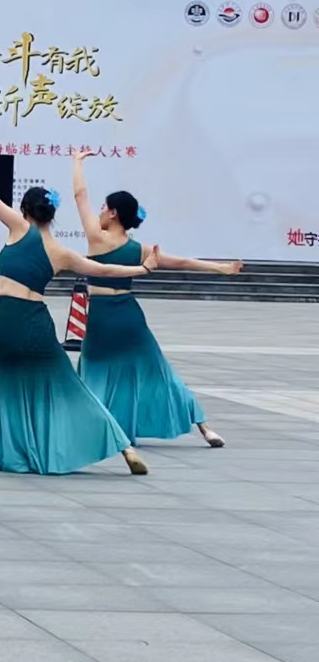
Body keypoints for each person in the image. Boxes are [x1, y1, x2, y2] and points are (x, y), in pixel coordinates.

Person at [0, 134, 159, 475]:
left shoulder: (18, 228)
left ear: (24, 210)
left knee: (10, 385)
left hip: (7, 321)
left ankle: (17, 451)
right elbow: (103, 269)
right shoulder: (61, 252)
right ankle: (122, 444)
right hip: (37, 324)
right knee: (68, 385)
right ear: (51, 215)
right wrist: (141, 270)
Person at [73, 150, 234, 447]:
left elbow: (80, 195)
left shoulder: (97, 238)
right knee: (158, 370)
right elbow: (182, 263)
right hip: (129, 315)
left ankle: (98, 424)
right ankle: (206, 428)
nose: (99, 212)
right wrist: (219, 268)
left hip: (102, 316)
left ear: (113, 213)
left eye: (104, 207)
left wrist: (78, 162)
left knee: (94, 369)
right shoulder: (141, 250)